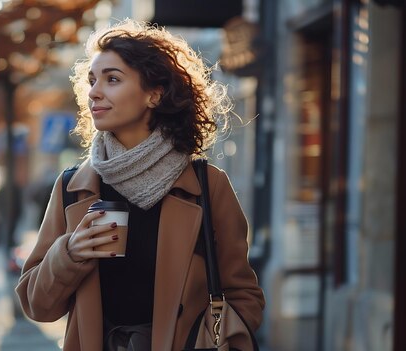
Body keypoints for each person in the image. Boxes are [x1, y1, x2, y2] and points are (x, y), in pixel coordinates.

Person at [15, 19, 265, 351]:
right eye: (91, 81)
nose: (94, 92)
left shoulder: (207, 185)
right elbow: (37, 305)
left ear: (154, 94)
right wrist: (70, 252)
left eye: (112, 79)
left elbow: (243, 294)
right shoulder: (73, 187)